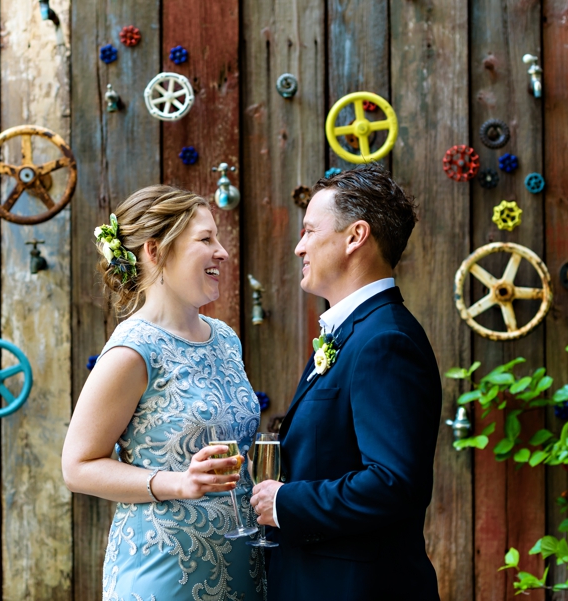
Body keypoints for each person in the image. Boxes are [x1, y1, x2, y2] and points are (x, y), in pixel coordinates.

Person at [62, 185, 264, 601]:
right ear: (155, 251)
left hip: (244, 564)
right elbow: (77, 467)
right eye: (206, 239)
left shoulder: (225, 339)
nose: (222, 252)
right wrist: (178, 483)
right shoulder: (131, 350)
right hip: (164, 572)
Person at [250, 163, 443, 600]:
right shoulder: (351, 332)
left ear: (355, 237)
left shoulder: (385, 340)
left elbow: (394, 483)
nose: (299, 247)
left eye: (309, 232)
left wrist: (285, 503)